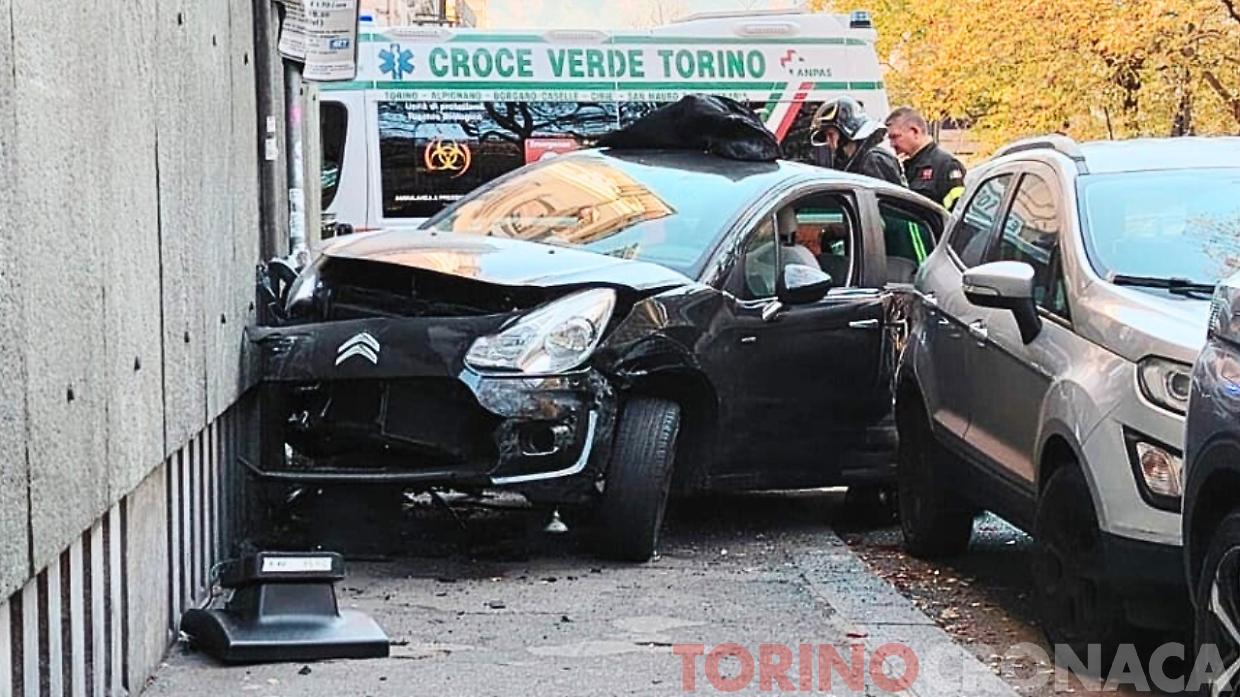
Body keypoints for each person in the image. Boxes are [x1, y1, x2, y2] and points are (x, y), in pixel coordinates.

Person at [809, 96, 904, 186]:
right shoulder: (855, 160)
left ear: (845, 132)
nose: (828, 142)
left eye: (830, 135)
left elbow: (884, 201)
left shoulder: (874, 159)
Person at [885, 107, 967, 210]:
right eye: (890, 138)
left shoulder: (946, 165)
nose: (892, 144)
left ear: (915, 132)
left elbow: (958, 212)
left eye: (895, 137)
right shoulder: (905, 166)